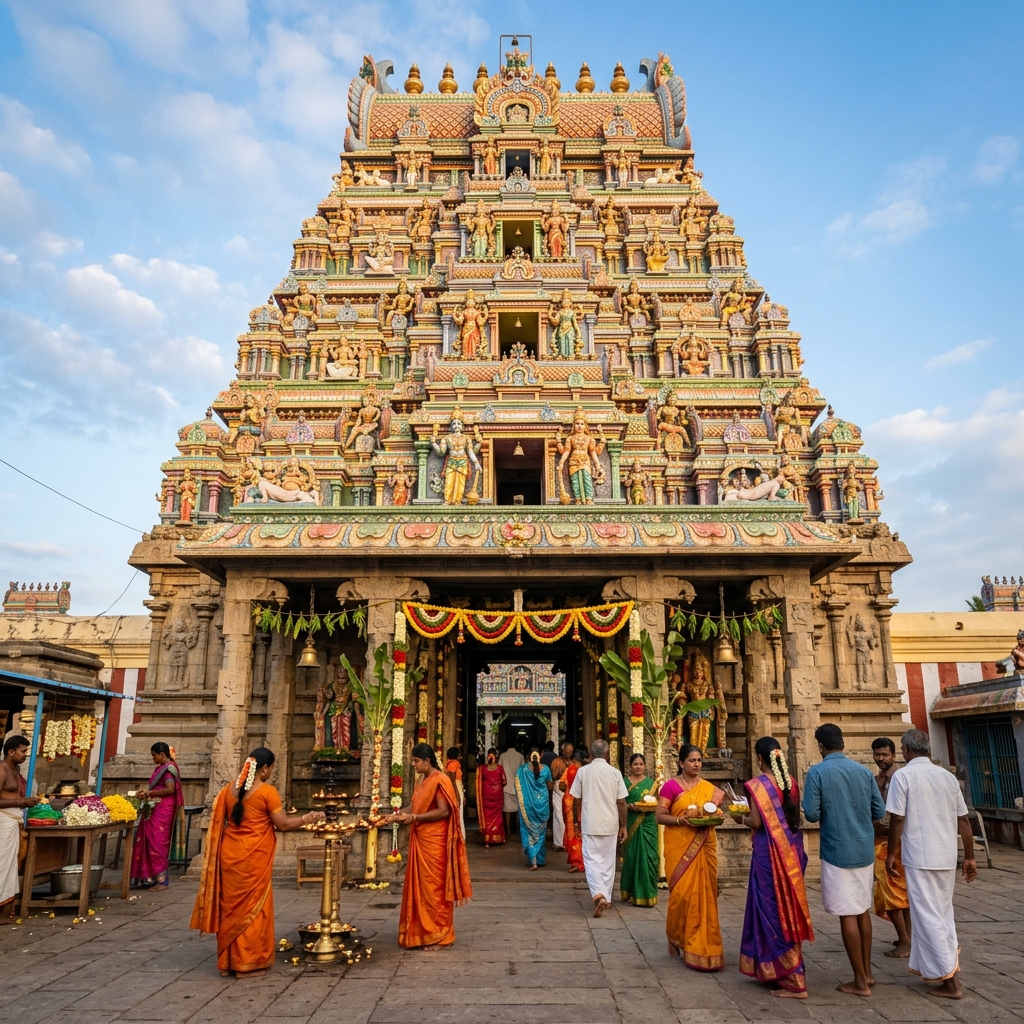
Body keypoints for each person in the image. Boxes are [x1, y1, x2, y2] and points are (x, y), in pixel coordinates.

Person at [190, 747, 324, 976]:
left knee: (230, 909)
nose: (271, 772)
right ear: (265, 768)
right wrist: (307, 818)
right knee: (254, 910)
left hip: (229, 856)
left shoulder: (228, 790)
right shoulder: (267, 792)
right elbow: (282, 824)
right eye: (271, 768)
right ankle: (248, 963)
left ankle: (227, 963)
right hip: (253, 859)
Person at [886, 728, 976, 999]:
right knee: (942, 913)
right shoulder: (947, 777)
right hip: (946, 856)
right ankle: (946, 970)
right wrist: (970, 856)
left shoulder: (903, 776)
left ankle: (950, 982)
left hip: (920, 857)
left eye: (901, 748)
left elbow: (897, 819)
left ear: (906, 749)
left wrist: (891, 852)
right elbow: (964, 820)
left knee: (927, 918)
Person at [802, 723, 885, 997]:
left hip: (837, 849)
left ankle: (859, 981)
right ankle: (868, 973)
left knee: (847, 912)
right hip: (863, 848)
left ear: (821, 747)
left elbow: (812, 814)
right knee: (862, 909)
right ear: (843, 743)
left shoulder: (817, 772)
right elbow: (879, 810)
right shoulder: (863, 771)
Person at [733, 737, 814, 998]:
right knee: (787, 910)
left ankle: (793, 979)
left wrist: (739, 818)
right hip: (791, 851)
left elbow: (756, 822)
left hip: (769, 855)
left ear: (759, 758)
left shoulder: (758, 785)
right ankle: (778, 970)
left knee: (772, 911)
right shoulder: (791, 783)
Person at [388, 743, 472, 949]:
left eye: (416, 761)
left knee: (435, 890)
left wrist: (414, 817)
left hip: (435, 842)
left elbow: (444, 811)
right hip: (422, 839)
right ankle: (421, 932)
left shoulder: (440, 779)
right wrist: (397, 815)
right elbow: (415, 806)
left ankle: (442, 935)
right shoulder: (422, 780)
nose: (413, 765)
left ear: (427, 761)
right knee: (422, 889)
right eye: (412, 761)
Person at [657, 743, 725, 970]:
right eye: (692, 761)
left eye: (699, 761)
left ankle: (705, 946)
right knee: (682, 896)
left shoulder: (708, 789)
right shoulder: (671, 787)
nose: (697, 765)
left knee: (706, 895)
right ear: (681, 763)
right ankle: (676, 935)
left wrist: (716, 815)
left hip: (704, 845)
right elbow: (660, 816)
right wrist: (680, 820)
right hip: (680, 846)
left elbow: (714, 813)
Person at [569, 739, 628, 917]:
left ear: (592, 754)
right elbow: (621, 802)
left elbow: (576, 799)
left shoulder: (583, 771)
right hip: (610, 823)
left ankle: (598, 895)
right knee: (608, 862)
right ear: (607, 754)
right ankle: (606, 898)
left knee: (592, 861)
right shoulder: (615, 773)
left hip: (590, 822)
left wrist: (576, 821)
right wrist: (623, 824)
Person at [871, 737, 911, 958]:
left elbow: (896, 817)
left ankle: (906, 940)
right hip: (881, 841)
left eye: (885, 755)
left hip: (893, 843)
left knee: (893, 895)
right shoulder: (878, 778)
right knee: (898, 894)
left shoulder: (899, 777)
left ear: (894, 755)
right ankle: (906, 937)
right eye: (877, 755)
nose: (881, 759)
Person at [131, 742, 185, 891]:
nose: (153, 758)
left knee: (158, 843)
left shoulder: (168, 770)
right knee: (147, 839)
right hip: (155, 807)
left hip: (163, 810)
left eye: (154, 755)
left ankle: (161, 881)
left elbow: (170, 789)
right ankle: (148, 877)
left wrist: (149, 793)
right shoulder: (160, 769)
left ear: (162, 754)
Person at [1, 736, 38, 920]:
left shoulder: (16, 769)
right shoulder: (2, 770)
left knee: (10, 866)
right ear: (11, 752)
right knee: (2, 865)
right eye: (23, 751)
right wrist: (22, 801)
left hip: (13, 820)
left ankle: (6, 910)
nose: (25, 755)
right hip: (3, 821)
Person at [620, 753, 659, 907]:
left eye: (641, 764)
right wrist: (630, 806)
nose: (638, 767)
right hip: (630, 821)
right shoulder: (623, 782)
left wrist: (650, 806)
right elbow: (619, 802)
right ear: (630, 766)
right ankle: (630, 891)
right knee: (631, 857)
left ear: (645, 766)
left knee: (650, 858)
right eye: (635, 764)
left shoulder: (652, 784)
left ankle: (647, 894)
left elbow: (658, 803)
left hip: (648, 823)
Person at [516, 749, 553, 869]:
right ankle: (540, 859)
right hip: (542, 804)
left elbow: (517, 786)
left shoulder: (523, 770)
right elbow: (550, 786)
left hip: (528, 806)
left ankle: (534, 860)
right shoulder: (546, 769)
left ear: (528, 757)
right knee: (541, 832)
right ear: (540, 756)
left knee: (529, 831)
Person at [475, 748, 506, 847]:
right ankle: (498, 838)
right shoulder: (500, 768)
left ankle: (487, 839)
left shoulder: (482, 769)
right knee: (497, 817)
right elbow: (504, 781)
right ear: (495, 756)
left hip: (486, 795)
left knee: (487, 816)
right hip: (497, 795)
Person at [561, 748, 585, 872]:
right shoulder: (587, 771)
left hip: (570, 803)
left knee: (572, 832)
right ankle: (584, 861)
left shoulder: (570, 769)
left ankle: (576, 861)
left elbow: (561, 785)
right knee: (583, 832)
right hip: (585, 805)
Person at [549, 741, 573, 850]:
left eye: (570, 752)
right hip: (559, 789)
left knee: (571, 815)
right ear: (563, 751)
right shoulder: (556, 762)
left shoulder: (575, 763)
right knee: (558, 815)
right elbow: (553, 778)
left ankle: (569, 841)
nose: (569, 754)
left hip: (572, 791)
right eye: (567, 752)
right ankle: (558, 842)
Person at [499, 743, 524, 835]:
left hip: (506, 786)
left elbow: (499, 769)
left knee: (507, 811)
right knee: (518, 810)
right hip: (517, 786)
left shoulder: (503, 756)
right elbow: (523, 771)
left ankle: (508, 829)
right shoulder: (520, 756)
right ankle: (517, 828)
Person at [445, 746, 466, 839]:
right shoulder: (454, 764)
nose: (460, 756)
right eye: (459, 754)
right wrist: (456, 794)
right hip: (456, 788)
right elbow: (452, 779)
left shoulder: (451, 763)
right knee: (458, 812)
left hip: (457, 788)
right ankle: (459, 836)